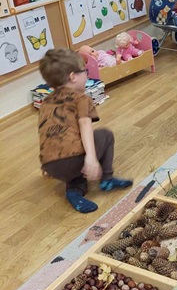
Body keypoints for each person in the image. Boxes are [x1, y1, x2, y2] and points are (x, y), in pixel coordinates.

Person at [38, 49, 132, 213]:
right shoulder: (81, 98)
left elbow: (47, 132)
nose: (87, 76)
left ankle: (74, 192)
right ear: (73, 77)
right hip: (74, 160)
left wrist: (48, 166)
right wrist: (91, 158)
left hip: (50, 165)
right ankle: (107, 179)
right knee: (105, 135)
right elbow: (84, 124)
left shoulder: (45, 102)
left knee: (75, 168)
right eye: (85, 72)